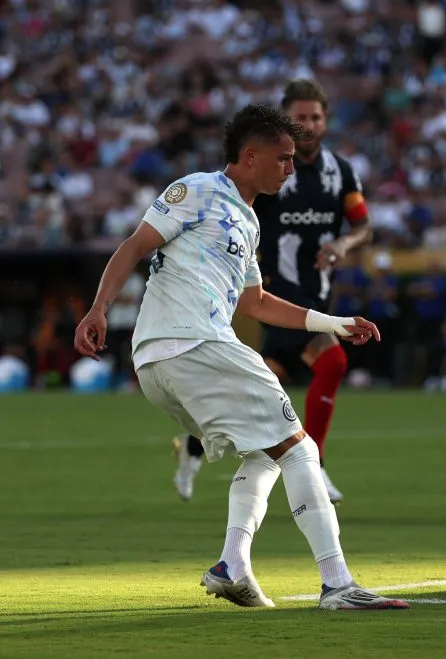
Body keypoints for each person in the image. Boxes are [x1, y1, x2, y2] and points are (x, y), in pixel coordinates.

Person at [73, 105, 407, 611]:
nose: (291, 169)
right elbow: (134, 245)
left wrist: (334, 324)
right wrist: (97, 309)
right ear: (250, 157)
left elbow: (256, 303)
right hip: (193, 344)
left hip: (166, 360)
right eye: (284, 159)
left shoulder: (247, 220)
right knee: (300, 449)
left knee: (266, 451)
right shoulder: (198, 189)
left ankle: (233, 563)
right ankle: (337, 584)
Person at [173, 79, 373, 503]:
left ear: (325, 120)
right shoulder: (269, 169)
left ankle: (193, 442)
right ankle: (313, 465)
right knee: (333, 361)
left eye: (315, 117)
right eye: (300, 117)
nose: (309, 124)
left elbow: (363, 226)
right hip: (277, 290)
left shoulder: (341, 172)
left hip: (317, 293)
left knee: (254, 389)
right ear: (285, 121)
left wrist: (342, 244)